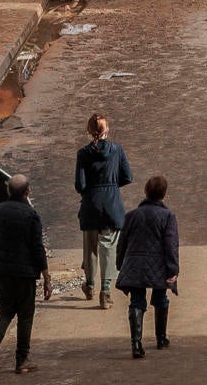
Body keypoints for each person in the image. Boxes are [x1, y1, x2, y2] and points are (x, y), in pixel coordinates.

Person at [0, 174, 50, 374]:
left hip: (1, 271)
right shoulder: (31, 215)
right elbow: (37, 248)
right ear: (27, 192)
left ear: (8, 190)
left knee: (6, 309)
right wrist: (46, 275)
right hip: (24, 272)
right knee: (26, 314)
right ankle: (22, 360)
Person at [116, 175, 180, 356]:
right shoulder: (168, 216)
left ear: (145, 191)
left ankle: (136, 344)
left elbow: (122, 243)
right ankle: (161, 338)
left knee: (136, 302)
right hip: (159, 266)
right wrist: (173, 269)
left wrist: (120, 263)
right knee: (161, 299)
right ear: (164, 194)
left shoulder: (131, 216)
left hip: (135, 264)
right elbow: (171, 245)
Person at [75, 114, 133, 309]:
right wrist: (112, 186)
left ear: (89, 131)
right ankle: (105, 290)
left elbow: (80, 184)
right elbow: (128, 177)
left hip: (90, 204)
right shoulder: (117, 150)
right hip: (111, 203)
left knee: (90, 248)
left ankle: (89, 285)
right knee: (108, 247)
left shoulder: (83, 153)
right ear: (106, 129)